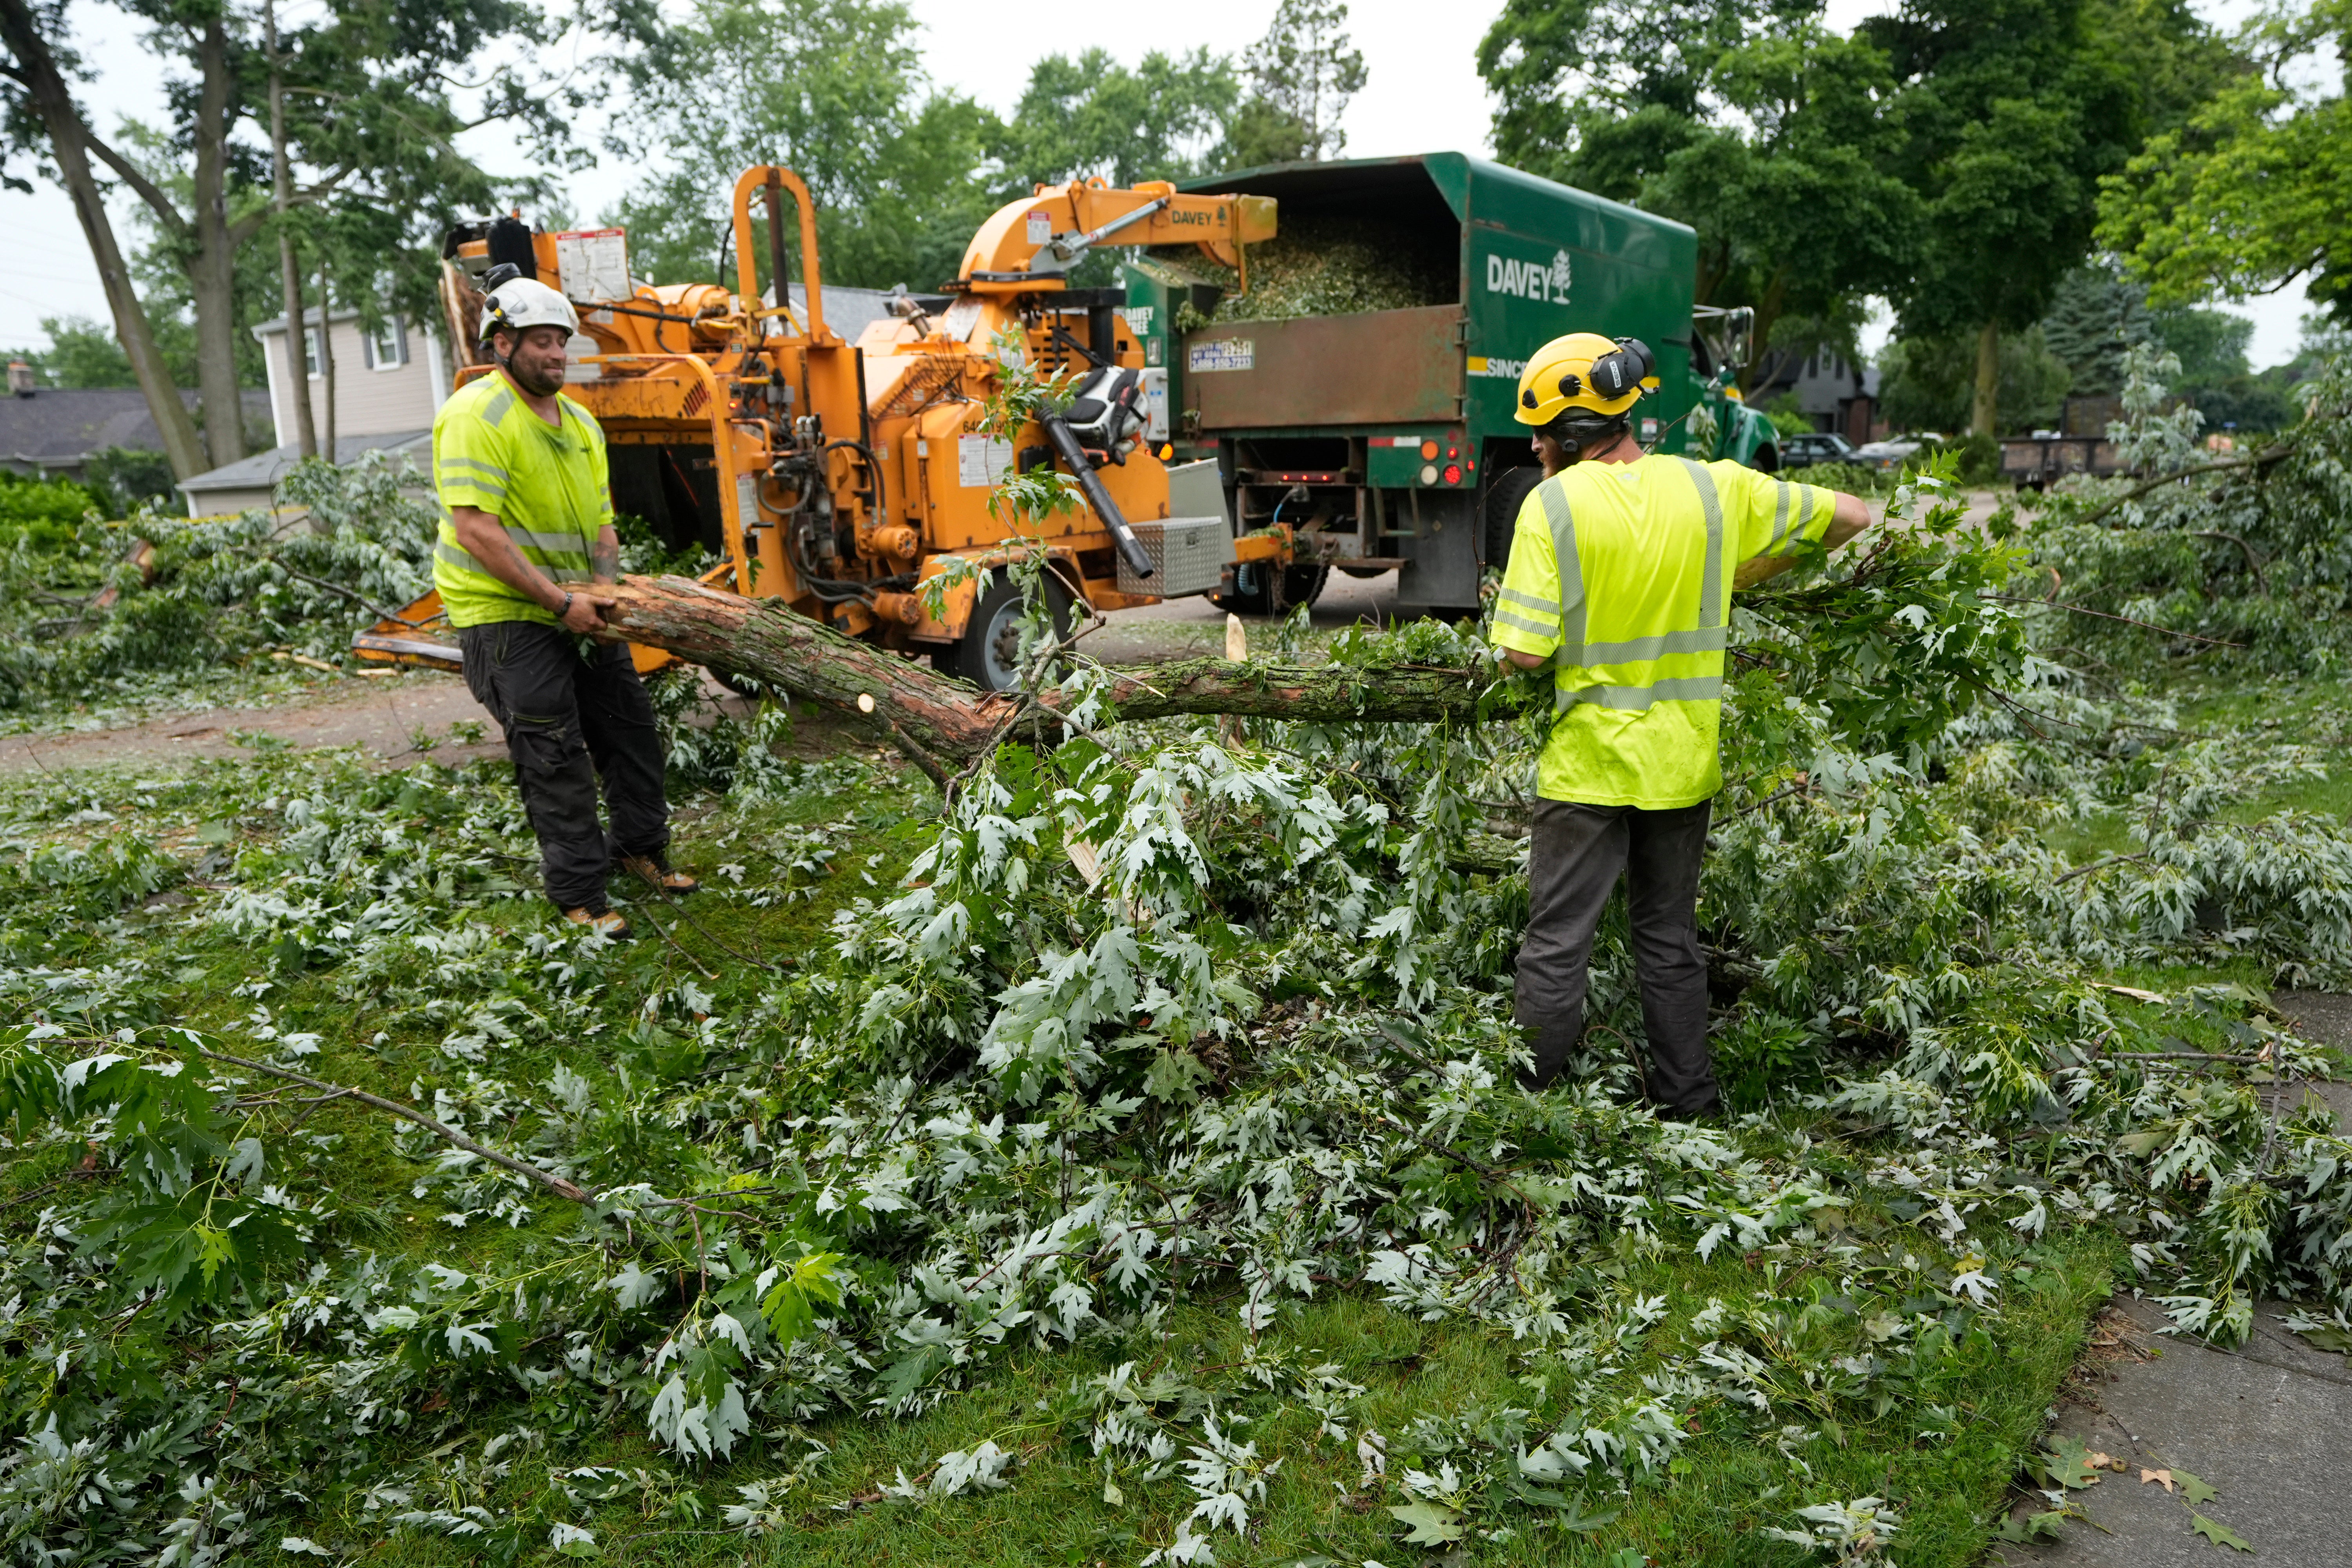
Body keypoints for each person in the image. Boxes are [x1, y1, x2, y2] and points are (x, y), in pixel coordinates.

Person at [1487, 332, 1872, 1116]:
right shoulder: (1711, 487)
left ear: (1569, 431)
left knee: (1559, 944)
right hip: (1681, 765)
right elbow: (1855, 516)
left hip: (1589, 767)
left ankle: (1523, 1107)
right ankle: (1690, 1105)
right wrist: (1742, 574)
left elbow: (1521, 655)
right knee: (1669, 943)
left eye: (1539, 430)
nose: (1531, 444)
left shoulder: (1550, 506)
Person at [431, 270, 696, 939]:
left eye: (561, 341)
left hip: (580, 610)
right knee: (555, 755)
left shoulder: (580, 423)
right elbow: (477, 530)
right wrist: (559, 603)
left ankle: (640, 850)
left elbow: (604, 527)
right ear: (503, 343)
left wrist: (606, 602)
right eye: (541, 341)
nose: (556, 353)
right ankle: (581, 896)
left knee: (631, 732)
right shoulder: (476, 415)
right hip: (508, 617)